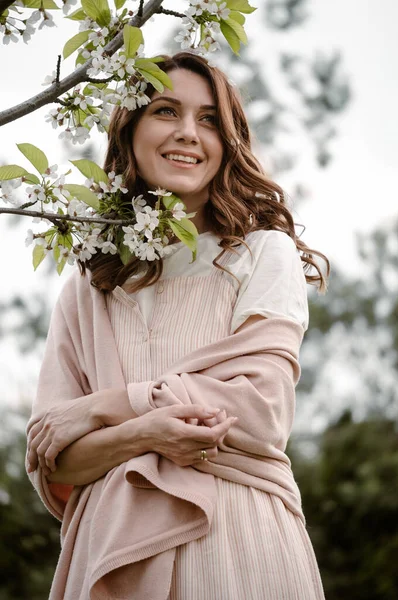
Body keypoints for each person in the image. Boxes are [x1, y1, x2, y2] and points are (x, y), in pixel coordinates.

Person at [26, 52, 328, 600]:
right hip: (108, 551)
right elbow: (55, 456)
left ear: (228, 142)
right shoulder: (89, 283)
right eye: (166, 111)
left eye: (210, 120)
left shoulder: (262, 255)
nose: (188, 133)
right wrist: (147, 432)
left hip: (234, 542)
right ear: (131, 130)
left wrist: (103, 408)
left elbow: (258, 412)